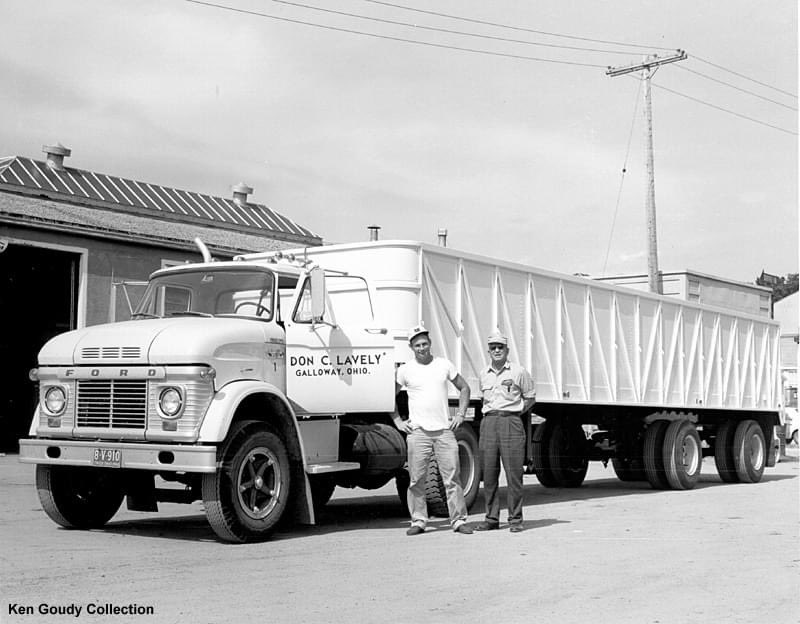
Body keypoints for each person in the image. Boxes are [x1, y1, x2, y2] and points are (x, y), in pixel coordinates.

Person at [393, 324, 473, 535]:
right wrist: (397, 421)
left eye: (425, 343)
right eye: (418, 345)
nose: (422, 348)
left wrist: (461, 414)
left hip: (444, 431)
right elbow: (389, 396)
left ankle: (458, 520)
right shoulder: (405, 370)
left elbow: (464, 388)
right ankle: (418, 521)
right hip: (418, 433)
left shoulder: (443, 365)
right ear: (412, 347)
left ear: (430, 343)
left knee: (452, 478)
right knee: (416, 480)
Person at [476, 330, 536, 533]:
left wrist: (517, 411)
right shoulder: (484, 374)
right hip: (489, 422)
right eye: (493, 347)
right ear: (489, 351)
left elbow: (530, 397)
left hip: (511, 421)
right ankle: (491, 518)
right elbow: (483, 399)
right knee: (490, 473)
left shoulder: (518, 372)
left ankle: (515, 519)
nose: (497, 350)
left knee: (514, 474)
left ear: (507, 350)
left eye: (500, 347)